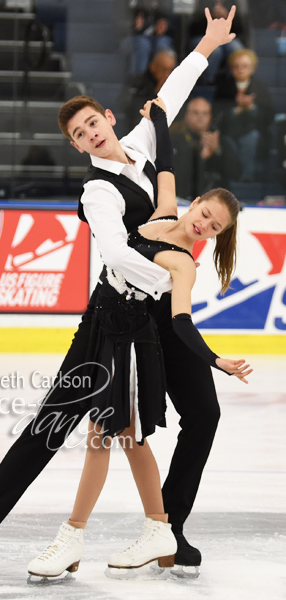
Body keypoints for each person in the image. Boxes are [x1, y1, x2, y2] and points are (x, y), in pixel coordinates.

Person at [0, 6, 238, 578]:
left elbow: (169, 98)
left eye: (93, 124)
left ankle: (169, 531)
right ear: (78, 146)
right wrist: (173, 268)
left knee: (198, 414)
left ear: (108, 119)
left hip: (158, 313)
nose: (91, 135)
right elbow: (114, 254)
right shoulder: (97, 193)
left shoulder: (142, 145)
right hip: (114, 315)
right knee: (58, 424)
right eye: (80, 136)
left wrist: (205, 47)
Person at [26, 98, 252, 580]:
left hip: (136, 338)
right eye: (205, 213)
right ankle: (154, 528)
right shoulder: (164, 209)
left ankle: (96, 533)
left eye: (212, 226)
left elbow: (183, 322)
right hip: (113, 328)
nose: (203, 224)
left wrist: (216, 361)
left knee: (115, 435)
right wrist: (161, 118)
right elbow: (165, 161)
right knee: (120, 437)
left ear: (212, 236)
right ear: (195, 204)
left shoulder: (183, 264)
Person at [214, 48, 274, 181]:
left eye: (245, 66)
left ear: (252, 68)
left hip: (253, 131)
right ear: (231, 68)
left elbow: (269, 116)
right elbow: (217, 113)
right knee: (226, 143)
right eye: (236, 66)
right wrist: (237, 110)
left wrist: (251, 108)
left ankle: (247, 178)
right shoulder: (223, 87)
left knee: (251, 139)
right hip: (228, 131)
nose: (240, 70)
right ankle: (230, 178)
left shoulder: (260, 88)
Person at [169, 96, 240, 200]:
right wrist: (200, 158)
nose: (200, 117)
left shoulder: (221, 141)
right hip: (183, 199)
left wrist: (218, 152)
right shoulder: (175, 139)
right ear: (187, 115)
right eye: (195, 113)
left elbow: (236, 173)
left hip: (217, 200)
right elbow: (176, 178)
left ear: (210, 116)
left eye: (205, 113)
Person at [188, 0, 246, 84]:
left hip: (227, 37)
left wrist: (227, 17)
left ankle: (233, 83)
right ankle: (207, 82)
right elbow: (192, 26)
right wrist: (211, 17)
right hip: (202, 36)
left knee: (236, 48)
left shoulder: (232, 2)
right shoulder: (202, 2)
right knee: (215, 50)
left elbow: (240, 28)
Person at [125, 49, 177, 130]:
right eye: (163, 69)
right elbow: (128, 108)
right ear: (153, 66)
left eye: (170, 70)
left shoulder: (175, 85)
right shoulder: (138, 82)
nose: (167, 75)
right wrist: (155, 95)